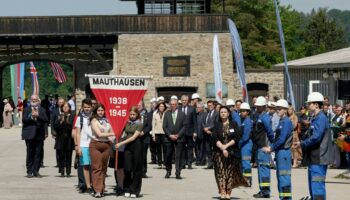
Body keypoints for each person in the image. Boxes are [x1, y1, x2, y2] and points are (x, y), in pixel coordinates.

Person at [293, 92, 332, 200]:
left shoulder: (321, 118)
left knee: (317, 187)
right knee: (313, 187)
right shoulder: (315, 118)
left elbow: (316, 137)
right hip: (313, 158)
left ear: (316, 104)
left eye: (309, 103)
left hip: (319, 158)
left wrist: (302, 143)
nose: (307, 105)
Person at [212, 106, 248, 200]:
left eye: (225, 112)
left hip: (232, 152)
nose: (223, 113)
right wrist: (222, 148)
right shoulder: (217, 125)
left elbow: (237, 137)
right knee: (221, 173)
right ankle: (222, 192)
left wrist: (226, 146)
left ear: (228, 113)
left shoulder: (234, 124)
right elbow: (214, 138)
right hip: (219, 153)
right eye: (221, 112)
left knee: (230, 173)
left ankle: (228, 192)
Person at [262, 99, 293, 200]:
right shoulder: (282, 121)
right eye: (276, 109)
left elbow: (282, 139)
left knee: (284, 178)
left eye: (279, 109)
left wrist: (271, 148)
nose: (277, 111)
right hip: (280, 152)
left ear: (285, 109)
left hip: (284, 152)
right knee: (280, 177)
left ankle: (286, 199)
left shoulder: (286, 122)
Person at [116, 106, 144, 198]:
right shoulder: (127, 123)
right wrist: (117, 137)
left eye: (134, 114)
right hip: (128, 147)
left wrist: (121, 143)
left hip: (137, 146)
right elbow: (125, 134)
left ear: (137, 115)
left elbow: (133, 137)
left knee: (136, 169)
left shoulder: (139, 124)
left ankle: (135, 190)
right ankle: (127, 188)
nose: (132, 116)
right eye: (131, 114)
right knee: (127, 168)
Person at [89, 103, 115, 198]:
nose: (100, 112)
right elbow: (99, 134)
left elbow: (111, 132)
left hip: (106, 145)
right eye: (99, 110)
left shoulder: (108, 120)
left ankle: (102, 188)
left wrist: (113, 134)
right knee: (97, 168)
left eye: (102, 110)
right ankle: (97, 190)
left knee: (104, 168)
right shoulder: (93, 120)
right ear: (96, 111)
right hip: (96, 144)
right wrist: (114, 132)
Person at [251, 96, 274, 198]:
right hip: (258, 147)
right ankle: (263, 190)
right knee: (261, 169)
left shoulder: (265, 117)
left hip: (263, 147)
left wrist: (272, 146)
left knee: (264, 169)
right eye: (257, 106)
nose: (258, 108)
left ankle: (265, 191)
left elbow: (270, 133)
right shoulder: (258, 116)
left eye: (260, 106)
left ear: (264, 106)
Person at [22, 95, 48, 177]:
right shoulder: (26, 109)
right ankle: (29, 171)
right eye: (32, 99)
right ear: (30, 100)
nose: (33, 100)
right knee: (30, 152)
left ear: (38, 100)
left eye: (35, 99)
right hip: (29, 134)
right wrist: (31, 116)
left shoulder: (42, 109)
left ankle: (36, 170)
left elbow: (46, 120)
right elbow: (24, 119)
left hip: (39, 134)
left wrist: (38, 116)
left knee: (38, 153)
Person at [162, 99, 186, 179]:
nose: (172, 106)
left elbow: (184, 126)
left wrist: (178, 135)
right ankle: (168, 171)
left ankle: (178, 172)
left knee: (179, 156)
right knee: (168, 155)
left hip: (179, 138)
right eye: (171, 104)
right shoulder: (167, 114)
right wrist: (170, 135)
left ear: (177, 105)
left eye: (174, 104)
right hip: (169, 138)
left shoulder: (182, 114)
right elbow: (164, 126)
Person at [75, 98, 93, 194]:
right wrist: (78, 146)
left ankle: (94, 184)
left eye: (88, 107)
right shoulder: (79, 118)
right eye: (85, 107)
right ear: (82, 107)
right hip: (83, 144)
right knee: (85, 165)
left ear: (91, 107)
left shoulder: (94, 117)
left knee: (93, 166)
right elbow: (77, 133)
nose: (87, 109)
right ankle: (87, 186)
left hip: (94, 144)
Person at [53, 102, 75, 177]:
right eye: (64, 106)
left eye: (67, 106)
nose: (65, 108)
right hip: (60, 138)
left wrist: (67, 121)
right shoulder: (60, 116)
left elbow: (72, 126)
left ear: (69, 108)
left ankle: (68, 172)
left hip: (69, 138)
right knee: (61, 155)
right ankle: (62, 171)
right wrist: (60, 122)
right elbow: (55, 126)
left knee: (68, 155)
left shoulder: (72, 116)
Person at [180, 95, 197, 169]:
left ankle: (189, 163)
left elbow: (195, 121)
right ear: (181, 101)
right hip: (181, 132)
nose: (184, 102)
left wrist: (195, 131)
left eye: (185, 100)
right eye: (183, 100)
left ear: (188, 101)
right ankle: (183, 163)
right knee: (182, 148)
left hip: (190, 131)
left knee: (190, 148)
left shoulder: (192, 109)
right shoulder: (178, 108)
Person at [239, 102, 253, 186]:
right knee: (243, 162)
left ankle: (248, 180)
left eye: (244, 111)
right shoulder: (243, 120)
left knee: (246, 162)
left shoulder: (248, 121)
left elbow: (246, 136)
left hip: (246, 144)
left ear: (248, 112)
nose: (242, 112)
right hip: (244, 144)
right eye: (241, 111)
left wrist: (239, 143)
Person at [203, 100, 219, 169]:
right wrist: (204, 128)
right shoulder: (206, 113)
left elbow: (216, 123)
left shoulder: (216, 113)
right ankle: (210, 163)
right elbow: (203, 122)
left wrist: (209, 128)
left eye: (210, 105)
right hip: (206, 134)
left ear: (213, 105)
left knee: (214, 150)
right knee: (207, 149)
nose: (209, 106)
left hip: (212, 134)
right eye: (208, 105)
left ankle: (215, 163)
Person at [152, 102, 167, 168]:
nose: (161, 107)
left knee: (165, 149)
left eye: (163, 106)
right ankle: (160, 163)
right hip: (157, 133)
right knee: (158, 149)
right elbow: (153, 125)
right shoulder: (155, 114)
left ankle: (165, 163)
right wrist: (153, 135)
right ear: (158, 107)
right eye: (160, 106)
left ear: (164, 107)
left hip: (164, 133)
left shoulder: (166, 114)